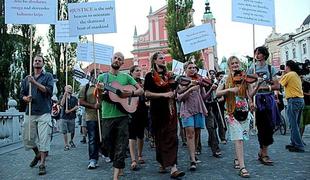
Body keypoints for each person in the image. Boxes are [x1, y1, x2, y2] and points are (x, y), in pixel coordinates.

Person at [97, 52, 143, 180]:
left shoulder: (126, 77)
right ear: (111, 59)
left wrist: (129, 94)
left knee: (121, 145)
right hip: (107, 115)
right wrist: (99, 91)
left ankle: (116, 176)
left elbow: (140, 90)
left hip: (122, 115)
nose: (117, 60)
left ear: (122, 63)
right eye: (115, 58)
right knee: (106, 143)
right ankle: (118, 163)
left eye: (120, 59)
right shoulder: (102, 78)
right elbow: (99, 98)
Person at [144, 52, 185, 179]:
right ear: (155, 61)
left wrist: (189, 86)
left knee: (172, 137)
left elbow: (177, 91)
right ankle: (162, 162)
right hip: (157, 112)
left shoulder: (169, 75)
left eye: (164, 58)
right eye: (161, 58)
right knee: (160, 139)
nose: (163, 60)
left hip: (171, 111)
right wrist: (163, 95)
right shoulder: (149, 76)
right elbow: (147, 94)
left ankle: (173, 167)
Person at [216, 56, 251, 178]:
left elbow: (250, 94)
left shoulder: (244, 77)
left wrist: (257, 85)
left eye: (237, 63)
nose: (235, 65)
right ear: (229, 65)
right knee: (239, 138)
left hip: (244, 110)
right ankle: (242, 167)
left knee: (242, 137)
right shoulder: (225, 78)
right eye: (233, 63)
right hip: (231, 112)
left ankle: (237, 158)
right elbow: (217, 93)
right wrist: (230, 89)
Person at [20, 54, 54, 175]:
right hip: (30, 112)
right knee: (27, 138)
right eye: (35, 60)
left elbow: (48, 91)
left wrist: (34, 82)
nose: (37, 62)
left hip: (44, 112)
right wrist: (25, 98)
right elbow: (21, 94)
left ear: (43, 63)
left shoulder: (48, 76)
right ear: (32, 63)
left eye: (40, 61)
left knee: (44, 139)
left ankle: (42, 163)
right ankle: (38, 154)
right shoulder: (26, 79)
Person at [247, 46, 280, 166]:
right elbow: (248, 87)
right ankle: (264, 154)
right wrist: (250, 101)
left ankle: (262, 152)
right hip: (258, 100)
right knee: (262, 127)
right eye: (256, 53)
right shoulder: (251, 68)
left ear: (264, 55)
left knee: (270, 127)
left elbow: (277, 86)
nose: (257, 55)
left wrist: (265, 87)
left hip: (269, 99)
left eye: (259, 53)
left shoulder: (270, 68)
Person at [176, 61, 208, 171]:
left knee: (197, 132)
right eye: (190, 67)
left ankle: (193, 152)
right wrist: (190, 89)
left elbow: (204, 97)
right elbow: (179, 98)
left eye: (194, 67)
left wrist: (211, 89)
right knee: (190, 133)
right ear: (185, 69)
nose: (193, 69)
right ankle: (192, 159)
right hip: (187, 110)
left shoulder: (199, 80)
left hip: (198, 109)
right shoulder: (182, 81)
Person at [78, 69, 102, 169]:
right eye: (97, 74)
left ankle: (104, 152)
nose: (99, 76)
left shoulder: (104, 86)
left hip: (103, 116)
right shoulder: (86, 87)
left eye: (100, 74)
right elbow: (81, 101)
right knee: (92, 138)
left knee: (103, 137)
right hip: (91, 116)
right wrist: (93, 106)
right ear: (91, 76)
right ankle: (93, 159)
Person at [279, 60, 305, 152]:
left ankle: (299, 145)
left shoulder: (289, 75)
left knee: (293, 125)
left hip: (293, 100)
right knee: (296, 124)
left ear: (288, 67)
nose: (284, 68)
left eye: (285, 66)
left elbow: (279, 84)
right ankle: (294, 143)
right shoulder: (296, 74)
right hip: (300, 100)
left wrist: (282, 74)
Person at [128, 65, 149, 171]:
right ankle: (133, 159)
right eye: (136, 70)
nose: (139, 72)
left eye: (140, 70)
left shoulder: (143, 82)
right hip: (131, 110)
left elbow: (146, 96)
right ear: (131, 72)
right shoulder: (128, 82)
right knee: (132, 135)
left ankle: (140, 155)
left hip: (142, 109)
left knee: (140, 135)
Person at [60, 85, 79, 151]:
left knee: (72, 131)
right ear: (65, 89)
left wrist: (70, 111)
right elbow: (61, 104)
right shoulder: (62, 96)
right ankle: (66, 144)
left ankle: (71, 140)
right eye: (69, 88)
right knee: (64, 131)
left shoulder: (74, 98)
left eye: (71, 88)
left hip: (72, 117)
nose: (70, 89)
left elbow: (77, 107)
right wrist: (64, 96)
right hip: (64, 117)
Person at [215, 71, 227, 143]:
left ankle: (222, 138)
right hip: (214, 106)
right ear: (217, 78)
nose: (222, 78)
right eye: (220, 76)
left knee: (222, 123)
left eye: (223, 76)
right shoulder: (215, 84)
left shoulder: (225, 84)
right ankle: (213, 140)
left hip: (222, 106)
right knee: (214, 124)